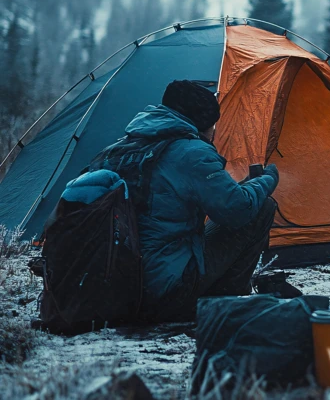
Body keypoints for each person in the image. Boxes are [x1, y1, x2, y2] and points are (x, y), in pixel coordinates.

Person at [91, 80, 282, 321]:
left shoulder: (116, 150)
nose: (214, 132)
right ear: (203, 123)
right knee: (260, 206)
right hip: (165, 291)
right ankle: (221, 302)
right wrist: (266, 181)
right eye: (214, 125)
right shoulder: (191, 152)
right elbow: (236, 210)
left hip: (114, 287)